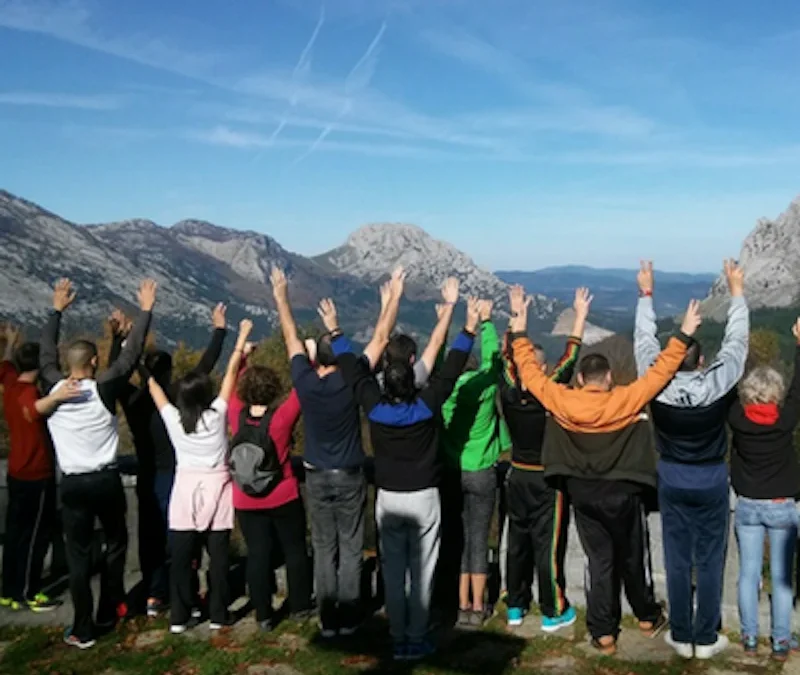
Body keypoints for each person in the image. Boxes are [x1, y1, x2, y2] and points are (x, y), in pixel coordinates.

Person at [506, 284, 702, 656]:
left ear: (580, 379)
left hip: (582, 493)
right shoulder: (624, 399)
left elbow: (529, 373)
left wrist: (519, 327)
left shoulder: (563, 399)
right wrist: (684, 333)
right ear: (609, 379)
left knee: (600, 562)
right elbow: (661, 372)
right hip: (623, 492)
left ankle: (603, 633)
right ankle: (646, 617)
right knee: (631, 557)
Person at [328, 277, 478, 662]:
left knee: (393, 570)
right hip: (424, 496)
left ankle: (398, 635)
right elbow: (450, 366)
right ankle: (417, 635)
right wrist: (466, 324)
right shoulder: (426, 405)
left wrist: (335, 331)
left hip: (389, 497)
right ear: (412, 378)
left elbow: (352, 369)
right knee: (422, 567)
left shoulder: (375, 408)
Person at [634, 260, 748, 660]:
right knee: (710, 558)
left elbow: (643, 342)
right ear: (701, 362)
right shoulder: (716, 383)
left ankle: (681, 633)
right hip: (712, 476)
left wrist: (645, 294)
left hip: (671, 474)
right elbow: (737, 346)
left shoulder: (656, 383)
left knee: (678, 558)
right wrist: (737, 292)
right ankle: (706, 634)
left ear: (671, 358)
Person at [40, 278, 158, 649]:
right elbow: (130, 355)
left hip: (73, 485)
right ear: (93, 362)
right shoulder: (104, 390)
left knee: (77, 557)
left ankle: (82, 627)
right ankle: (111, 605)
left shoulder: (53, 390)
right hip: (106, 481)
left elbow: (45, 355)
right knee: (117, 542)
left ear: (68, 363)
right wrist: (145, 310)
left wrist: (56, 310)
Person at [269, 266, 375, 637]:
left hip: (314, 473)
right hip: (349, 473)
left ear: (318, 360)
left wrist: (281, 298)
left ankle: (327, 619)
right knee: (350, 547)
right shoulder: (353, 382)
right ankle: (349, 616)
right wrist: (390, 301)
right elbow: (378, 340)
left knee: (323, 546)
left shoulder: (305, 381)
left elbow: (291, 338)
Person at [108, 304, 227, 617]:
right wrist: (220, 331)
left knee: (150, 537)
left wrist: (119, 342)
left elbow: (115, 377)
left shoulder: (133, 401)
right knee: (182, 540)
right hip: (175, 478)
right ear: (170, 374)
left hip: (146, 476)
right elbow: (204, 367)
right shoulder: (176, 400)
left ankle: (154, 594)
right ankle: (184, 594)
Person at [147, 318, 251, 634]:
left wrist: (134, 350)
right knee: (218, 558)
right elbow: (231, 374)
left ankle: (179, 615)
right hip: (217, 493)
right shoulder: (217, 416)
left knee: (180, 558)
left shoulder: (175, 422)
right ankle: (218, 612)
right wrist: (241, 338)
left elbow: (154, 389)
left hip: (185, 493)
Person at [501, 288, 592, 631]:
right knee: (547, 545)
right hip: (545, 478)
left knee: (517, 542)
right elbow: (570, 359)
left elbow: (507, 360)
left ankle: (515, 606)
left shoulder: (509, 393)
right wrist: (580, 314)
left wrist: (516, 319)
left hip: (516, 475)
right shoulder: (549, 394)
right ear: (539, 368)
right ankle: (552, 610)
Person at [227, 346, 312, 631]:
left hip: (245, 498)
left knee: (258, 554)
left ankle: (263, 613)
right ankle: (299, 606)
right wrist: (309, 357)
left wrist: (242, 358)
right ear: (274, 390)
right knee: (295, 550)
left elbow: (231, 389)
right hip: (283, 493)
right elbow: (303, 387)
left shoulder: (235, 413)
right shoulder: (281, 418)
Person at [729, 319, 800, 661]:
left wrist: (738, 347)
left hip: (746, 505)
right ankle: (782, 641)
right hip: (782, 504)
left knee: (749, 574)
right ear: (777, 394)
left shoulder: (738, 421)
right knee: (782, 578)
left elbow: (728, 386)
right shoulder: (785, 421)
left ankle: (750, 637)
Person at [439, 299, 508, 627]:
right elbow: (494, 362)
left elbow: (436, 367)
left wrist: (444, 323)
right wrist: (487, 322)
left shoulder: (445, 392)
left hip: (453, 472)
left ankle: (459, 601)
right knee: (479, 538)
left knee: (456, 537)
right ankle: (477, 606)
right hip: (482, 471)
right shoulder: (482, 389)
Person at [0, 326, 77, 612]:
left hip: (16, 470)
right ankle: (29, 592)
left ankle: (9, 589)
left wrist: (10, 344)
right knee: (35, 536)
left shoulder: (11, 383)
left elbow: (5, 365)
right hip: (36, 473)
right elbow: (34, 410)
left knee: (15, 533)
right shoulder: (28, 394)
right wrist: (60, 395)